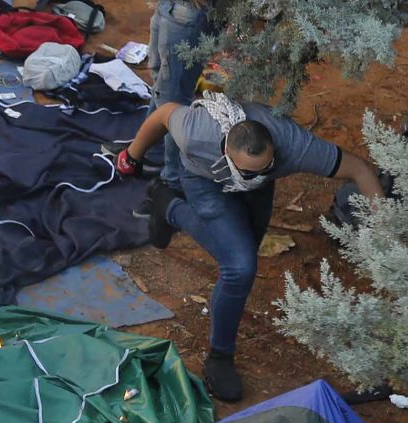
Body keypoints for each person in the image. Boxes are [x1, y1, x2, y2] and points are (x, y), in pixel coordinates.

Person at [112, 94, 386, 401]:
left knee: (244, 248)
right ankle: (219, 357)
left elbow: (359, 169)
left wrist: (384, 232)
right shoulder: (197, 133)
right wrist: (131, 157)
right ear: (226, 152)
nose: (257, 173)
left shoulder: (292, 145)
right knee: (239, 267)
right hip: (205, 180)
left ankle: (167, 206)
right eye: (249, 170)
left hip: (258, 193)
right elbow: (163, 114)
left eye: (265, 166)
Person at [148, 0, 216, 193]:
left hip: (190, 11)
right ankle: (153, 150)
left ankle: (172, 181)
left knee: (173, 97)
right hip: (169, 6)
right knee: (159, 77)